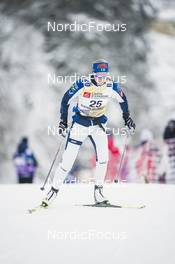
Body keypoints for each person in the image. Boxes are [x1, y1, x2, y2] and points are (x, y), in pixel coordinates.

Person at [41, 59, 135, 207]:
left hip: (98, 125)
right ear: (93, 74)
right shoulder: (82, 84)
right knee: (68, 161)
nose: (101, 80)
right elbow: (66, 99)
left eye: (104, 76)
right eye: (98, 76)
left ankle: (98, 192)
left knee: (103, 158)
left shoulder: (111, 85)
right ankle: (53, 191)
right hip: (80, 124)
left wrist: (127, 118)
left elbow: (123, 100)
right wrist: (63, 122)